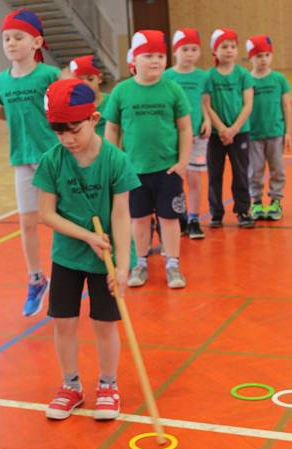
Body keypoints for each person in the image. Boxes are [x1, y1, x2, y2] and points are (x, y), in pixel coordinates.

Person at [34, 78, 140, 420]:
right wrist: (87, 236)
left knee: (105, 324)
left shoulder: (116, 160)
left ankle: (108, 385)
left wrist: (123, 268)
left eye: (74, 129)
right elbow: (46, 214)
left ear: (94, 120)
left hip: (107, 257)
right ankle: (71, 385)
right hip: (68, 255)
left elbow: (122, 215)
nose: (67, 139)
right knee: (63, 322)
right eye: (58, 131)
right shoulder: (52, 161)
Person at [0, 9, 60, 317]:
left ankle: (72, 271)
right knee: (28, 223)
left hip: (51, 157)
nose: (11, 43)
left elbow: (62, 109)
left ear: (36, 42)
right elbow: (7, 111)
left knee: (62, 219)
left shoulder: (48, 76)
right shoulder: (2, 80)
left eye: (18, 37)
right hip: (21, 158)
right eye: (6, 38)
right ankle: (36, 278)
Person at [104, 30, 192, 289]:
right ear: (134, 59)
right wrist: (114, 162)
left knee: (169, 218)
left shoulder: (173, 89)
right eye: (149, 56)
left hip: (167, 170)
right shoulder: (121, 92)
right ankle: (140, 263)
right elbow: (112, 129)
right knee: (139, 219)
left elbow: (185, 127)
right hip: (133, 172)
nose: (155, 61)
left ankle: (173, 265)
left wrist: (183, 161)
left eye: (160, 56)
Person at [203, 28, 255, 229]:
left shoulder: (243, 75)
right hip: (216, 135)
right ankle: (216, 212)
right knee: (215, 173)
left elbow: (248, 105)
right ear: (214, 51)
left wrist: (233, 129)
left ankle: (243, 210)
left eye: (233, 46)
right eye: (224, 46)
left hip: (240, 132)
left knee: (241, 173)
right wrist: (222, 129)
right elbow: (206, 105)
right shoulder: (209, 77)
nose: (229, 50)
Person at [163, 28, 211, 239]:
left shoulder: (203, 76)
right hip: (174, 137)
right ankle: (178, 216)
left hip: (197, 138)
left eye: (194, 49)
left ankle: (193, 218)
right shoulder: (167, 76)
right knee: (174, 179)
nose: (190, 54)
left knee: (194, 178)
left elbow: (204, 103)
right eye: (185, 49)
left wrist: (208, 119)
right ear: (175, 51)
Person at [246, 35, 292, 221]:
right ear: (250, 58)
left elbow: (286, 106)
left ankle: (275, 201)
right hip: (253, 135)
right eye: (258, 56)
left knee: (278, 169)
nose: (263, 59)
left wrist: (288, 132)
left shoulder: (279, 79)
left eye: (266, 55)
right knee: (254, 170)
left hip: (275, 133)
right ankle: (256, 201)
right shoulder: (247, 80)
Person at [68, 55, 110, 137]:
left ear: (99, 78)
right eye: (80, 80)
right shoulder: (73, 107)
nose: (85, 84)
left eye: (90, 79)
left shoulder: (112, 101)